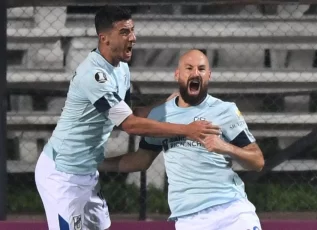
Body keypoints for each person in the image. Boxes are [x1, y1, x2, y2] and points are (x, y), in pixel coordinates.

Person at [34, 7, 220, 230]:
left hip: (87, 173)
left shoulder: (121, 68)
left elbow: (131, 114)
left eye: (132, 30)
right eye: (124, 32)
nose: (133, 37)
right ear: (104, 38)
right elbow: (130, 125)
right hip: (61, 176)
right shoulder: (94, 76)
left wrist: (171, 103)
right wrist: (186, 129)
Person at [101, 49, 265, 230]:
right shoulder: (160, 115)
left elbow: (257, 161)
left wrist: (226, 147)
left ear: (209, 75)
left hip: (231, 211)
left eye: (201, 69)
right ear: (177, 74)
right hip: (189, 220)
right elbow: (140, 161)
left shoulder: (224, 110)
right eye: (189, 68)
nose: (195, 73)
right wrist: (94, 163)